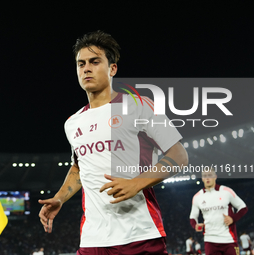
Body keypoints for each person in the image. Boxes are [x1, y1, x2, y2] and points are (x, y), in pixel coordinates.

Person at [38, 30, 188, 254]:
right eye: (81, 64)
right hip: (92, 239)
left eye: (95, 61)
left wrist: (136, 183)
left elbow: (179, 156)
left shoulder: (140, 105)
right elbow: (79, 167)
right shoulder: (72, 122)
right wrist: (60, 198)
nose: (86, 68)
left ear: (112, 68)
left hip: (140, 235)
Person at [189, 168, 248, 255]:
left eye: (210, 175)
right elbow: (193, 217)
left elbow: (243, 207)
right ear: (202, 178)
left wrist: (233, 218)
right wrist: (195, 225)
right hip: (210, 240)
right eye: (205, 176)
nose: (207, 178)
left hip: (229, 239)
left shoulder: (226, 191)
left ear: (215, 177)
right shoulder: (197, 197)